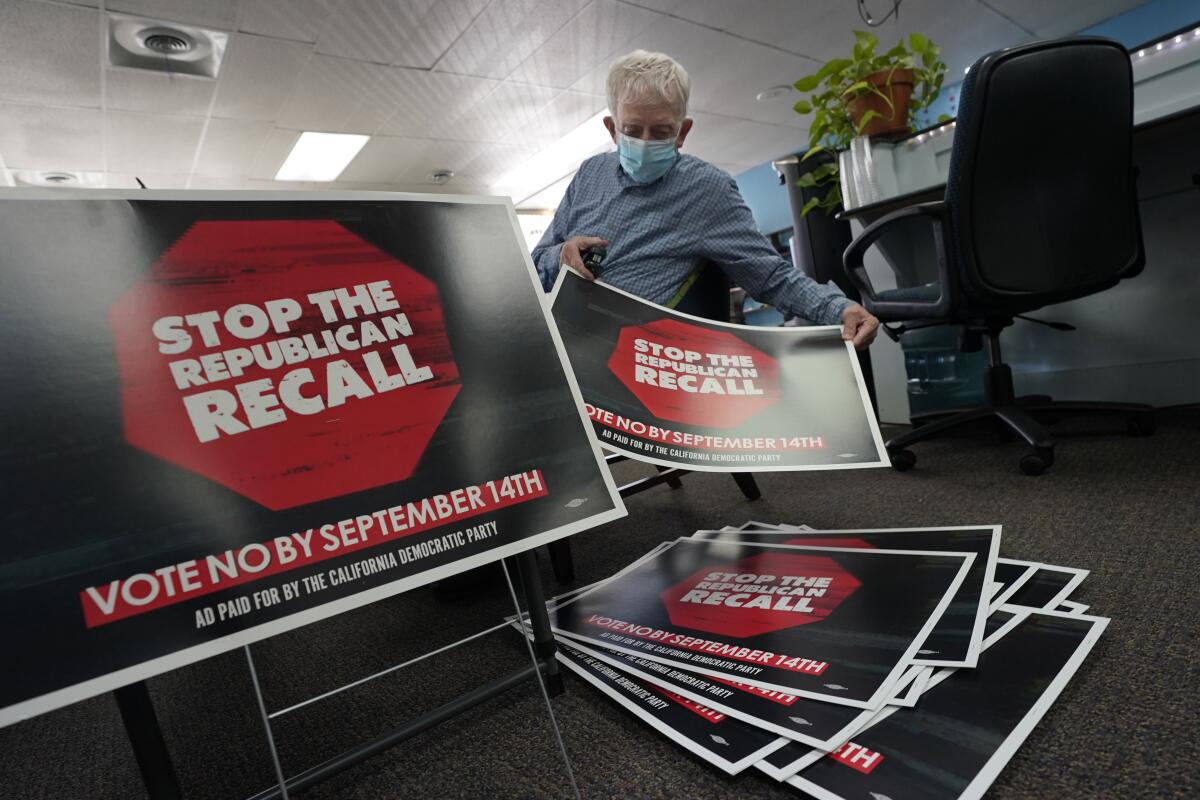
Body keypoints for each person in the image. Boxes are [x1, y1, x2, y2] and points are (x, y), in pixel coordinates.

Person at [531, 50, 880, 349]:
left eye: (662, 132)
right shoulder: (590, 174)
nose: (645, 142)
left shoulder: (707, 191)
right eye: (633, 131)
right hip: (565, 346)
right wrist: (559, 256)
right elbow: (533, 264)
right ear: (612, 129)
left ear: (683, 133)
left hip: (639, 362)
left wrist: (839, 309)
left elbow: (771, 275)